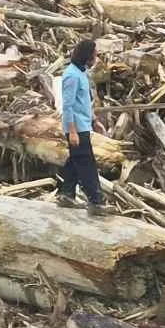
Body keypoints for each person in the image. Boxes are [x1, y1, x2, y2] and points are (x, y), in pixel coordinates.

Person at [56, 39, 107, 215]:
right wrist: (72, 132)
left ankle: (66, 194)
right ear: (87, 56)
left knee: (75, 161)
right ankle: (96, 202)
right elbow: (68, 106)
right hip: (76, 128)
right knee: (87, 164)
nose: (96, 58)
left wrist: (94, 120)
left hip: (83, 125)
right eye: (95, 54)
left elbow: (83, 102)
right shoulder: (71, 75)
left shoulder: (81, 73)